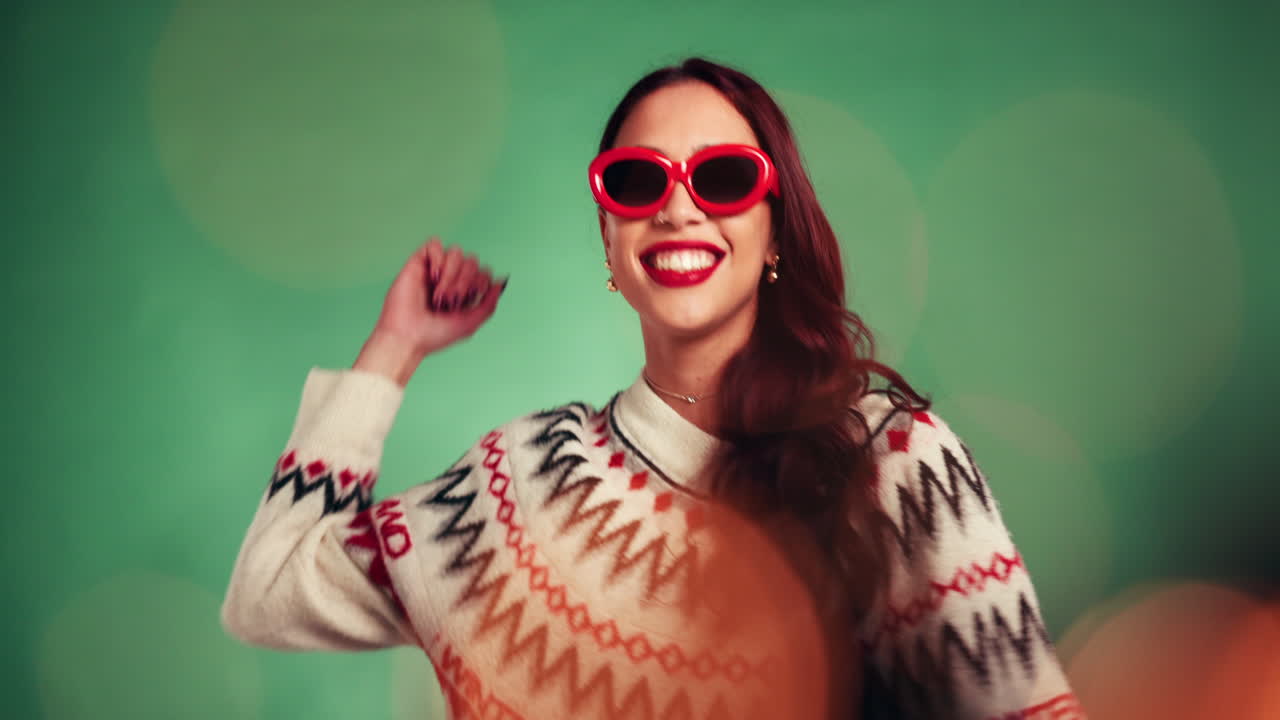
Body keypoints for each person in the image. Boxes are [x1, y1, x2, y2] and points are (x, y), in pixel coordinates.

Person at [222, 58, 1083, 719]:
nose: (678, 210)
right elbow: (270, 593)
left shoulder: (892, 458)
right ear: (608, 235)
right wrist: (395, 346)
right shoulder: (519, 485)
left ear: (774, 227)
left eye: (723, 178)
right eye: (638, 182)